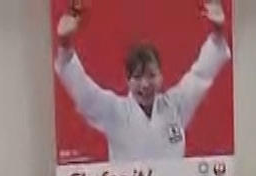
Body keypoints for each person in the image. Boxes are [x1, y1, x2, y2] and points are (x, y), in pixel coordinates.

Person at [55, 0, 230, 163]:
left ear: (161, 76)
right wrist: (65, 44)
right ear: (127, 80)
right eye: (138, 77)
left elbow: (200, 75)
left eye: (151, 75)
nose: (145, 85)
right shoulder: (114, 111)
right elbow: (85, 92)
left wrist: (217, 33)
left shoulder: (176, 105)